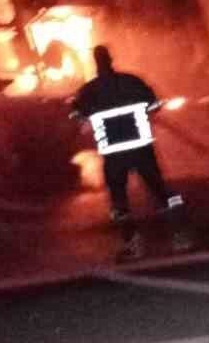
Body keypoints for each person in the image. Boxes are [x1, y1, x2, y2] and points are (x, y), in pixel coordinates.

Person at [70, 43, 193, 261]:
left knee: (119, 203)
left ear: (95, 63)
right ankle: (181, 236)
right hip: (141, 148)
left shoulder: (88, 91)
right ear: (111, 59)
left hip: (114, 154)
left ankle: (133, 245)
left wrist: (89, 121)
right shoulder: (132, 81)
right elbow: (155, 106)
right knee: (162, 192)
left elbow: (77, 119)